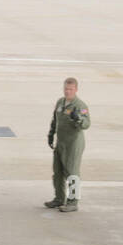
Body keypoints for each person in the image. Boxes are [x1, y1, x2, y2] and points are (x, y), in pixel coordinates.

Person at [45, 77, 90, 212]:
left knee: (72, 173)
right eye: (66, 89)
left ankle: (73, 202)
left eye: (70, 89)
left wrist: (79, 119)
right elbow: (55, 120)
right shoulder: (60, 102)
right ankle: (59, 198)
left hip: (73, 144)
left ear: (76, 89)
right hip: (61, 142)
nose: (67, 92)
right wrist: (51, 134)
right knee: (57, 172)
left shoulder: (80, 106)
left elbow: (87, 124)